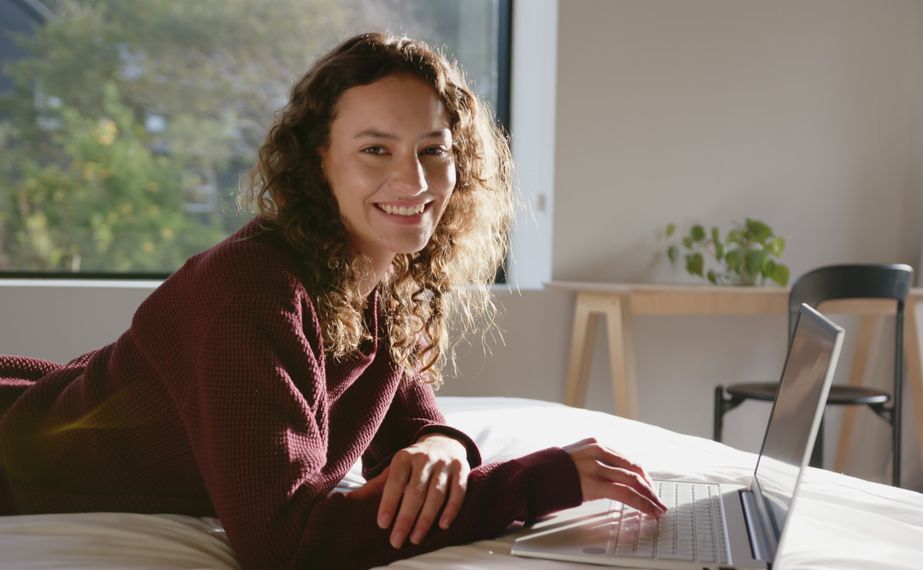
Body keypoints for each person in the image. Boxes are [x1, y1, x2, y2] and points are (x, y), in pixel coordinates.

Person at [0, 32, 664, 569]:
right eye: (376, 149)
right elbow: (284, 542)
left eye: (435, 150)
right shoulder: (254, 286)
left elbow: (410, 415)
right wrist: (541, 482)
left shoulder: (372, 277)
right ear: (320, 163)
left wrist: (444, 448)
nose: (415, 179)